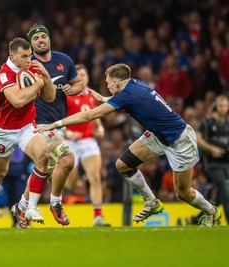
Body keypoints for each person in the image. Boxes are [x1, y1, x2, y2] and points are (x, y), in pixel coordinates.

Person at [36, 63, 222, 227]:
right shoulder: (135, 84)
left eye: (109, 82)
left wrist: (55, 124)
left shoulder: (127, 95)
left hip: (179, 140)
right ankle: (151, 202)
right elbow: (129, 100)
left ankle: (212, 212)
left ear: (117, 83)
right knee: (123, 165)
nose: (107, 86)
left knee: (182, 193)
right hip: (158, 135)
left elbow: (89, 116)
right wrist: (104, 99)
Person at [0, 37, 55, 229]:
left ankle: (29, 207)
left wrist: (45, 76)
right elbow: (18, 101)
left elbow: (51, 97)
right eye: (24, 56)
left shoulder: (32, 68)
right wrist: (37, 84)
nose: (29, 59)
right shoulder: (4, 74)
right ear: (12, 56)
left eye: (30, 55)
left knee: (43, 156)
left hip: (27, 126)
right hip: (4, 130)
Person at [12, 24, 84, 227]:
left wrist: (74, 88)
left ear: (49, 39)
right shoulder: (27, 64)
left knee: (42, 170)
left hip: (58, 124)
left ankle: (21, 208)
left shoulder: (64, 60)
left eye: (43, 36)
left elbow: (79, 83)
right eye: (36, 39)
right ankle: (56, 203)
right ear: (31, 44)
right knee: (68, 160)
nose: (40, 40)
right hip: (37, 125)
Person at [64, 64, 110, 227]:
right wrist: (68, 134)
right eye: (79, 75)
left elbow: (94, 114)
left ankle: (98, 216)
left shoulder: (92, 95)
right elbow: (56, 120)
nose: (82, 78)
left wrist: (100, 128)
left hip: (88, 140)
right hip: (69, 142)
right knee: (71, 184)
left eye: (84, 75)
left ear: (88, 77)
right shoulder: (67, 95)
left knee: (95, 177)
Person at [196, 95, 229, 224]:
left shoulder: (227, 123)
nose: (223, 108)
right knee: (225, 189)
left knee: (221, 195)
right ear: (215, 106)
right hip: (213, 164)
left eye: (226, 106)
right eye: (221, 105)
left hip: (227, 163)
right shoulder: (207, 122)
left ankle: (199, 217)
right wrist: (211, 149)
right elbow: (199, 139)